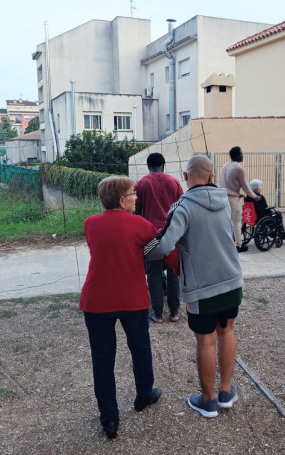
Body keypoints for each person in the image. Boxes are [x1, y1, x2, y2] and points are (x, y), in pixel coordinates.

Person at [146, 155, 242, 418]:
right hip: (233, 280)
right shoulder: (225, 200)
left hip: (203, 288)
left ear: (186, 177)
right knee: (227, 330)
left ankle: (208, 400)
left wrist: (143, 252)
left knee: (206, 340)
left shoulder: (182, 207)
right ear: (212, 177)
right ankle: (226, 392)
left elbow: (164, 246)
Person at [80, 176, 162, 439]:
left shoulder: (90, 224)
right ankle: (144, 394)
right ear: (122, 199)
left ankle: (109, 419)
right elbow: (156, 251)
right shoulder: (141, 225)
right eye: (133, 194)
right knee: (140, 348)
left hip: (97, 300)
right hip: (132, 298)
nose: (136, 197)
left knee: (102, 358)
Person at [135, 153, 183, 323]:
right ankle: (175, 313)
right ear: (163, 164)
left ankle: (157, 314)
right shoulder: (174, 183)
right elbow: (181, 210)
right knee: (173, 273)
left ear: (148, 166)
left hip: (150, 237)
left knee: (154, 274)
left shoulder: (141, 184)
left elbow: (137, 213)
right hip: (172, 234)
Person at [220, 146, 260, 253]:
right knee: (237, 222)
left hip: (222, 197)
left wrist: (236, 193)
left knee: (226, 222)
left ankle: (225, 244)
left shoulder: (225, 166)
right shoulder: (239, 168)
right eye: (241, 153)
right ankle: (239, 245)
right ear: (237, 155)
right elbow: (245, 186)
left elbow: (226, 184)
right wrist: (255, 196)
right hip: (233, 199)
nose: (242, 155)